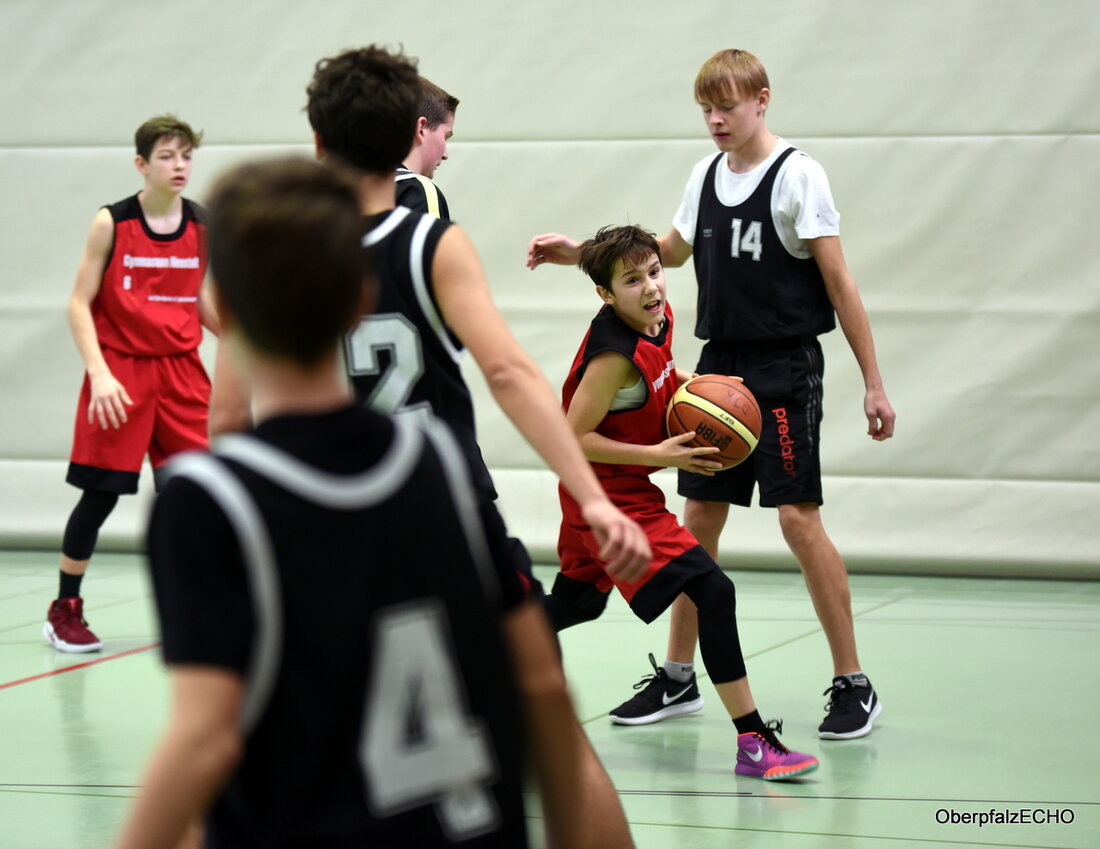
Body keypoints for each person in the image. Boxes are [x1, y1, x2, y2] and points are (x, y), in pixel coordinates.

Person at [113, 157, 634, 849]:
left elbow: (203, 740)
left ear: (226, 314)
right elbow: (541, 685)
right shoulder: (443, 464)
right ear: (361, 298)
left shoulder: (208, 498)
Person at [527, 48, 895, 741]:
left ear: (762, 100)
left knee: (796, 520)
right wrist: (580, 253)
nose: (716, 119)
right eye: (706, 108)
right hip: (718, 370)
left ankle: (853, 681)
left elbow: (841, 284)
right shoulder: (705, 176)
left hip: (784, 368)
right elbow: (661, 252)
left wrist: (874, 382)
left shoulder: (798, 176)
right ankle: (677, 677)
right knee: (699, 517)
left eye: (727, 105)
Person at [305, 45, 650, 592]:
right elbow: (503, 368)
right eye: (446, 137)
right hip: (429, 465)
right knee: (517, 649)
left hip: (335, 477)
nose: (446, 152)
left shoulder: (289, 239)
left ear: (321, 142)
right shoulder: (420, 204)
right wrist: (592, 497)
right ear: (417, 128)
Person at [546, 224, 818, 781]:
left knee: (578, 604)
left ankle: (479, 640)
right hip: (606, 497)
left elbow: (665, 378)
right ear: (605, 294)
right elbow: (569, 437)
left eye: (653, 272)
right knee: (715, 590)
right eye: (631, 280)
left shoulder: (657, 319)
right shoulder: (612, 357)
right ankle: (754, 742)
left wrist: (708, 390)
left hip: (612, 490)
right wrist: (665, 455)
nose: (650, 287)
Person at [46, 115, 217, 654]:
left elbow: (198, 299)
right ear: (142, 164)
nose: (180, 165)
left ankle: (197, 608)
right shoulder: (112, 223)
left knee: (190, 498)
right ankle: (64, 609)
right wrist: (98, 373)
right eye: (167, 156)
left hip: (182, 372)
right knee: (98, 498)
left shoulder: (202, 225)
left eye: (186, 155)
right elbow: (78, 302)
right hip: (120, 372)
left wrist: (251, 341)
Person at [395, 75, 457, 219]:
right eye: (445, 136)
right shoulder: (417, 190)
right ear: (421, 128)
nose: (445, 154)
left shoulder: (347, 187)